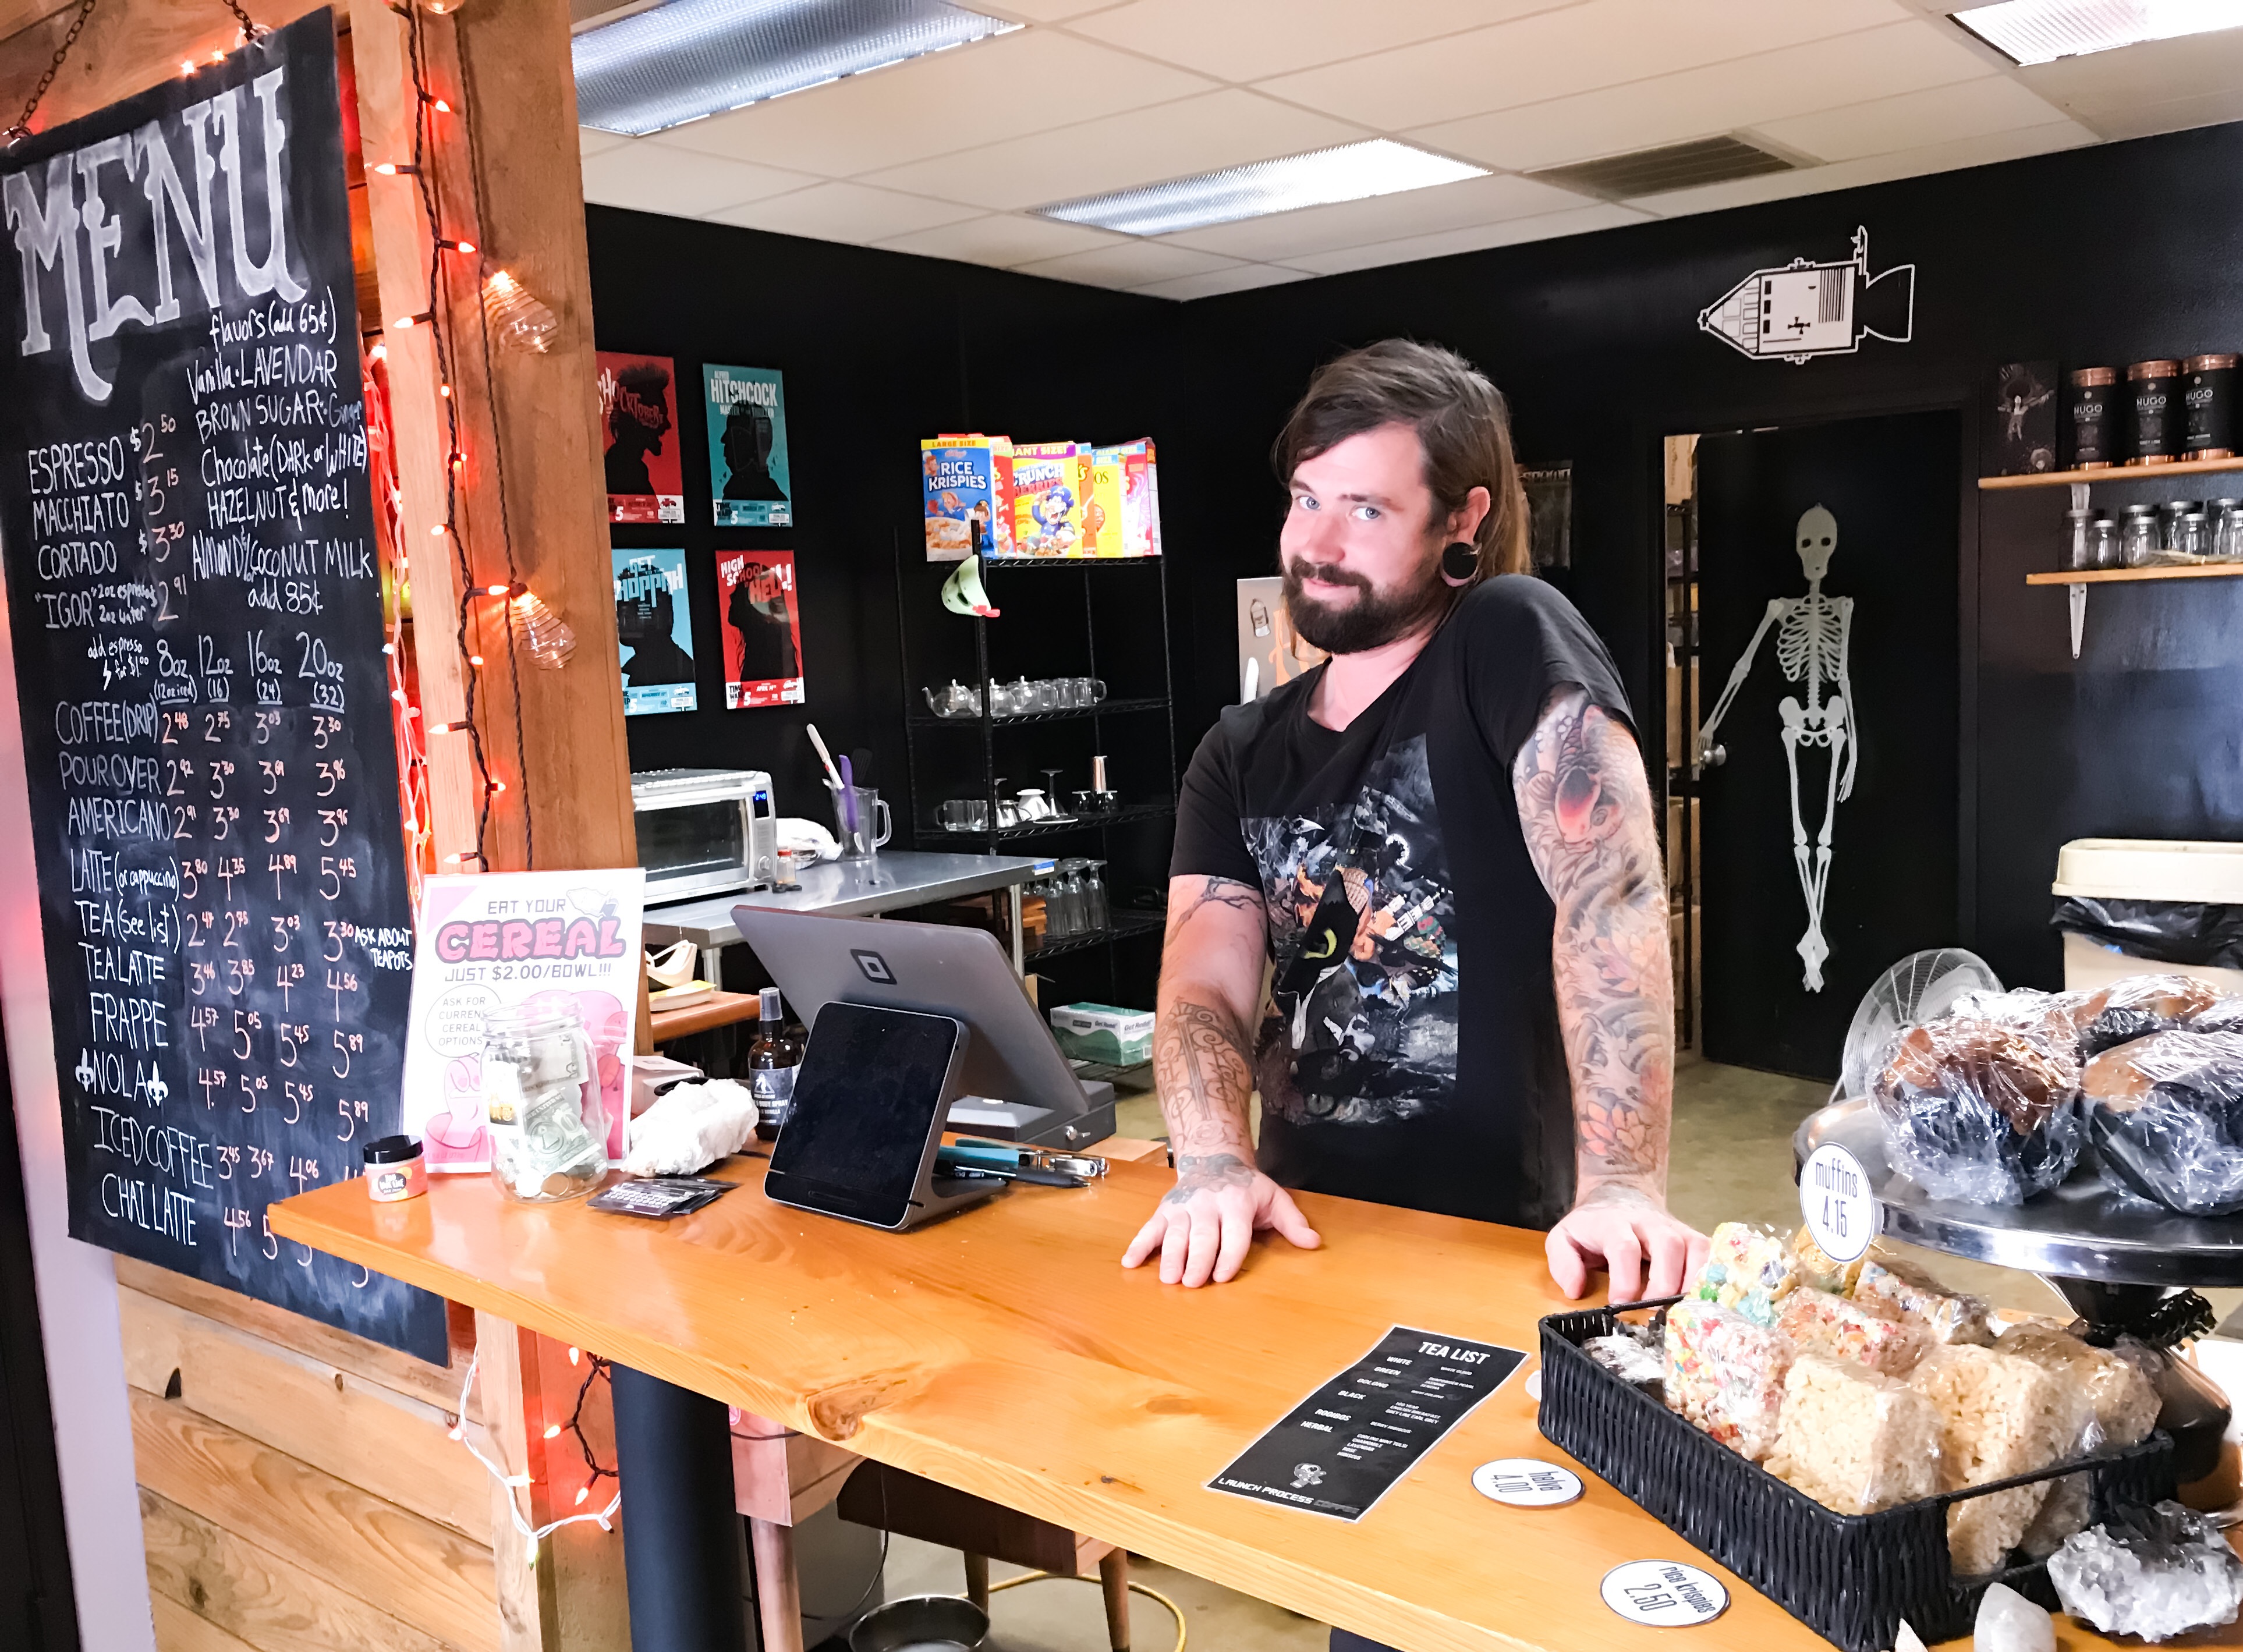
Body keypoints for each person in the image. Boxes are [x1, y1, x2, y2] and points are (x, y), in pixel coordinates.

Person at [1123, 339, 1708, 1529]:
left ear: (1465, 518)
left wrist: (1625, 1186)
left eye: (1366, 508)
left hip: (1488, 1244)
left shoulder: (1501, 636)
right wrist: (1208, 1162)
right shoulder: (1240, 750)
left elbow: (1612, 898)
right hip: (1296, 1232)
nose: (1317, 543)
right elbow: (1204, 985)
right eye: (1305, 500)